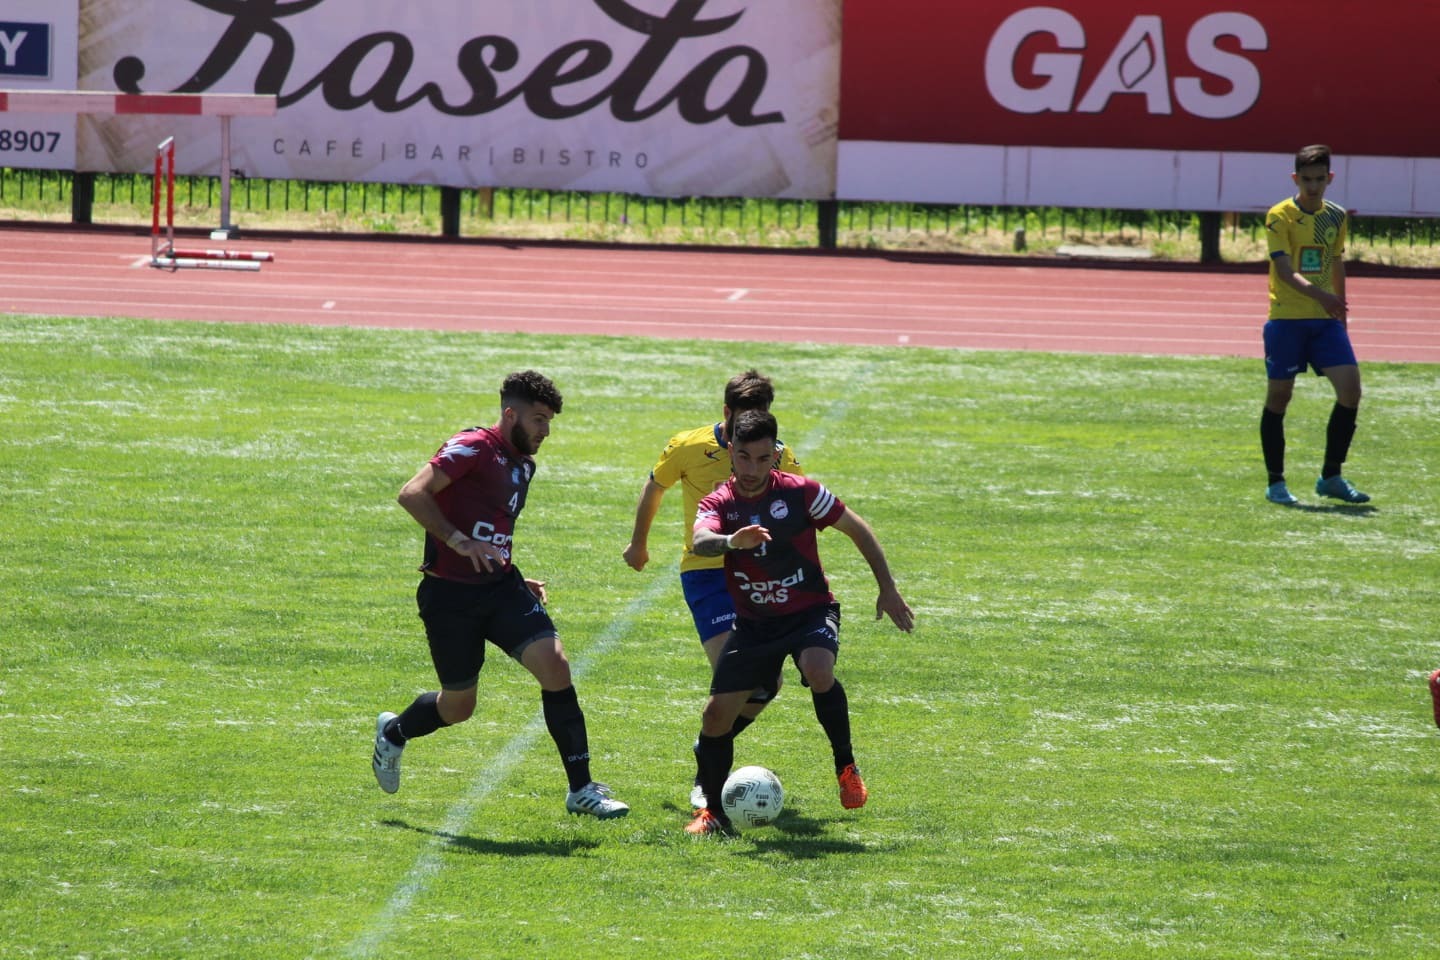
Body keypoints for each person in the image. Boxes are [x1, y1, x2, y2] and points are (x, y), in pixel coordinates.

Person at [371, 370, 629, 819]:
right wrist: (458, 542)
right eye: (538, 419)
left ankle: (581, 789)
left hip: (501, 587)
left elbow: (492, 529)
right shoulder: (472, 446)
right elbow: (411, 493)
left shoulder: (523, 465)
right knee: (458, 706)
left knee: (555, 665)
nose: (545, 431)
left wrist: (509, 571)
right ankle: (395, 733)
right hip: (450, 597)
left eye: (549, 421)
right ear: (510, 414)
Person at [684, 409, 914, 836]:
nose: (752, 468)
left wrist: (887, 587)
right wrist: (733, 541)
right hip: (754, 626)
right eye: (744, 457)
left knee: (818, 668)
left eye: (763, 458)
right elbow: (701, 540)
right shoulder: (719, 501)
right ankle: (713, 813)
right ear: (731, 451)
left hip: (810, 612)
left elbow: (858, 529)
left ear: (776, 455)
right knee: (715, 718)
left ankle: (846, 766)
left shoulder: (802, 493)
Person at [622, 370, 802, 807]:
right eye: (744, 418)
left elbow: (797, 512)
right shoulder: (689, 446)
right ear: (726, 412)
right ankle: (708, 780)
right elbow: (656, 486)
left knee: (768, 683)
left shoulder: (779, 456)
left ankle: (708, 745)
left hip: (757, 578)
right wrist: (639, 543)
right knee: (735, 677)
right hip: (707, 573)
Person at [1260, 143, 1370, 506]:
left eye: (1319, 180)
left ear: (1330, 178)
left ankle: (1331, 477)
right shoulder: (1280, 215)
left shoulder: (1335, 215)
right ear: (1295, 178)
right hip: (1287, 319)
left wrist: (1341, 314)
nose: (1312, 186)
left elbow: (1336, 262)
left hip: (1325, 321)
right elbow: (1284, 270)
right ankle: (1276, 482)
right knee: (1280, 397)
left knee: (1350, 391)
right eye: (1306, 179)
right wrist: (1322, 296)